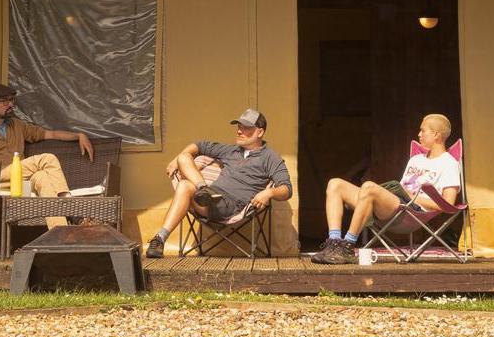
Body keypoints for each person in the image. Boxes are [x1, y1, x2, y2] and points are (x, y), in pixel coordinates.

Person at [310, 113, 461, 264]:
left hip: (412, 212)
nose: (419, 134)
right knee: (335, 184)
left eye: (423, 130)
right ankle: (334, 243)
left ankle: (347, 246)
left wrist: (412, 196)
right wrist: (403, 192)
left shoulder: (448, 164)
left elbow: (447, 205)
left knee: (369, 187)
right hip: (394, 204)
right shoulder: (416, 159)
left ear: (436, 135)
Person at [145, 107, 292, 259]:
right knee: (183, 158)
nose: (239, 131)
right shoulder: (232, 151)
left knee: (184, 185)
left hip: (230, 206)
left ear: (259, 132)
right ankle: (160, 238)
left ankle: (161, 237)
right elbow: (199, 145)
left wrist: (269, 192)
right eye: (239, 127)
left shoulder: (270, 157)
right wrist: (176, 159)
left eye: (246, 128)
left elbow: (286, 189)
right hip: (209, 196)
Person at [0, 82, 94, 230]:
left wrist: (79, 135)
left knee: (43, 177)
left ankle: (60, 232)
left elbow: (50, 134)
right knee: (47, 159)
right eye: (5, 101)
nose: (11, 104)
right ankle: (72, 211)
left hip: (19, 181)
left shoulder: (17, 125)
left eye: (11, 100)